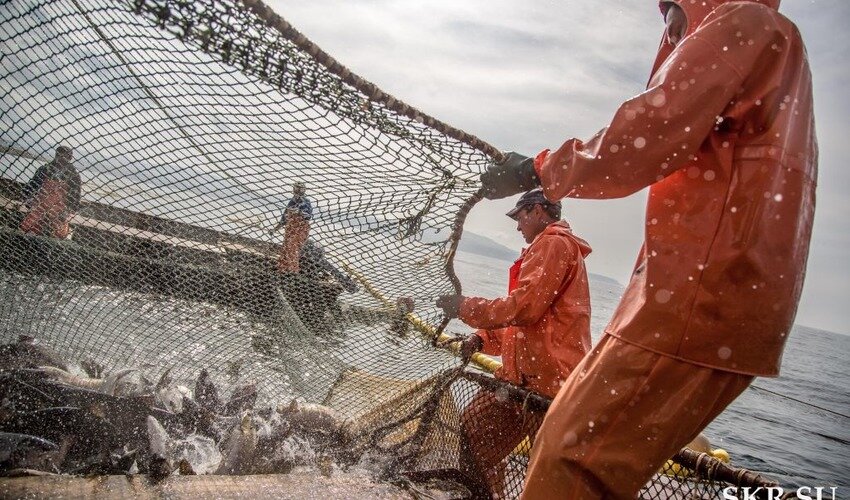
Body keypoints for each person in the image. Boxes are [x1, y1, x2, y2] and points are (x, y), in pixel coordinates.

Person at [480, 0, 817, 498]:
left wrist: (539, 170)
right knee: (594, 462)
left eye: (671, 12)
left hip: (695, 299)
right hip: (729, 305)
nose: (669, 26)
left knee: (570, 459)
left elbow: (654, 126)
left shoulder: (745, 21)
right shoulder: (782, 52)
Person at [435, 188, 593, 497]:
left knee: (548, 469)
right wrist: (481, 339)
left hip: (550, 386)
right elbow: (525, 325)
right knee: (473, 433)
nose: (517, 225)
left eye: (519, 217)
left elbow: (523, 308)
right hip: (518, 381)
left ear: (536, 211)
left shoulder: (553, 244)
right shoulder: (546, 247)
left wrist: (464, 307)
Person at [19, 145, 81, 239]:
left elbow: (76, 196)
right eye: (59, 155)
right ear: (56, 156)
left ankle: (61, 238)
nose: (61, 158)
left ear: (70, 158)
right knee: (27, 227)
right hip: (40, 204)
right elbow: (31, 186)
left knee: (60, 233)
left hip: (60, 208)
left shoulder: (74, 175)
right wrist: (29, 200)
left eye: (65, 156)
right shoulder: (44, 169)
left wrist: (69, 211)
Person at [269, 181, 313, 274]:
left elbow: (308, 216)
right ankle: (283, 268)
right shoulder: (292, 202)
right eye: (296, 188)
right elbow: (284, 218)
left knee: (293, 248)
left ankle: (292, 270)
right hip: (290, 229)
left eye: (300, 188)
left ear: (304, 190)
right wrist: (275, 229)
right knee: (286, 248)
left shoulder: (306, 202)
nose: (298, 190)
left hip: (300, 230)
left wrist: (299, 212)